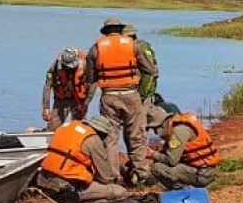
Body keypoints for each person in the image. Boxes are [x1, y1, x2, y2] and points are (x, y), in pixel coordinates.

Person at [84, 17, 158, 183]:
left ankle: (113, 176)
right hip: (131, 94)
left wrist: (87, 101)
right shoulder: (133, 45)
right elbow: (150, 70)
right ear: (120, 29)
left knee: (110, 138)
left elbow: (90, 78)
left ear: (105, 31)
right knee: (136, 135)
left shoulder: (96, 48)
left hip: (109, 96)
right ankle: (141, 173)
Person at [35, 115, 128, 203]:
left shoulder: (66, 128)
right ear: (101, 133)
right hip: (67, 188)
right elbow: (105, 178)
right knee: (120, 192)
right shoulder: (93, 139)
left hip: (44, 183)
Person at [145, 101, 220, 189]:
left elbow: (171, 161)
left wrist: (153, 154)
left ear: (162, 124)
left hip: (203, 174)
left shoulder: (179, 131)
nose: (156, 133)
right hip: (204, 170)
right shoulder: (177, 128)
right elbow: (169, 152)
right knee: (159, 162)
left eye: (155, 129)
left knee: (157, 168)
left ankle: (185, 190)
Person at [41, 47, 90, 131]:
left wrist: (86, 102)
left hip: (79, 101)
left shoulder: (85, 64)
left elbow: (93, 84)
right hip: (61, 101)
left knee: (80, 128)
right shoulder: (55, 66)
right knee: (52, 128)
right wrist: (46, 107)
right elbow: (47, 86)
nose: (69, 68)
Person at [123, 24, 159, 107]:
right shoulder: (134, 46)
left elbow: (150, 73)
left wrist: (142, 95)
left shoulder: (140, 47)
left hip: (143, 93)